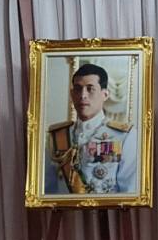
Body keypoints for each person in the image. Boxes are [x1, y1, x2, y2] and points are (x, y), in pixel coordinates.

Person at [43, 62, 137, 196]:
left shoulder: (124, 136)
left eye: (90, 89)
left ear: (105, 94)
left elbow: (130, 191)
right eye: (78, 89)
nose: (83, 95)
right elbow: (47, 190)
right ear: (72, 94)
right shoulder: (57, 136)